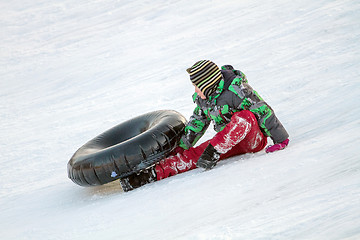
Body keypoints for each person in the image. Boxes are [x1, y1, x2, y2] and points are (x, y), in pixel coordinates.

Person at [120, 60, 289, 192]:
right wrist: (180, 148)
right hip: (226, 143)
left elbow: (262, 110)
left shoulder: (238, 90)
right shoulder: (204, 100)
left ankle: (214, 151)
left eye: (196, 86)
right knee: (195, 155)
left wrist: (280, 139)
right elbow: (196, 125)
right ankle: (146, 176)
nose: (195, 90)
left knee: (244, 117)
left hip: (253, 138)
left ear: (208, 84)